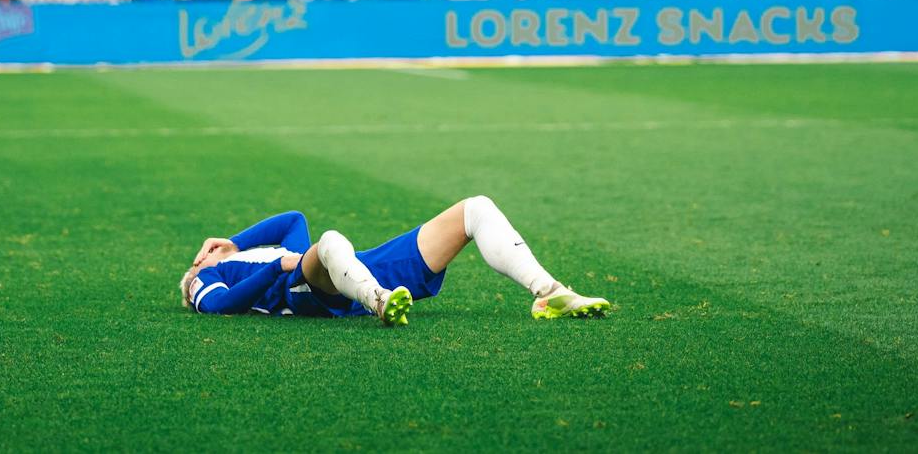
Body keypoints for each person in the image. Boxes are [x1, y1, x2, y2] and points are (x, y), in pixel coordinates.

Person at [179, 197, 613, 324]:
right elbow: (219, 306)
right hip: (305, 289)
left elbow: (294, 218)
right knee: (329, 242)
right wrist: (276, 267)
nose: (207, 256)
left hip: (352, 266)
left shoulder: (241, 254)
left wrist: (232, 241)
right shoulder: (204, 279)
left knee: (475, 209)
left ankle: (548, 292)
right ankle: (380, 302)